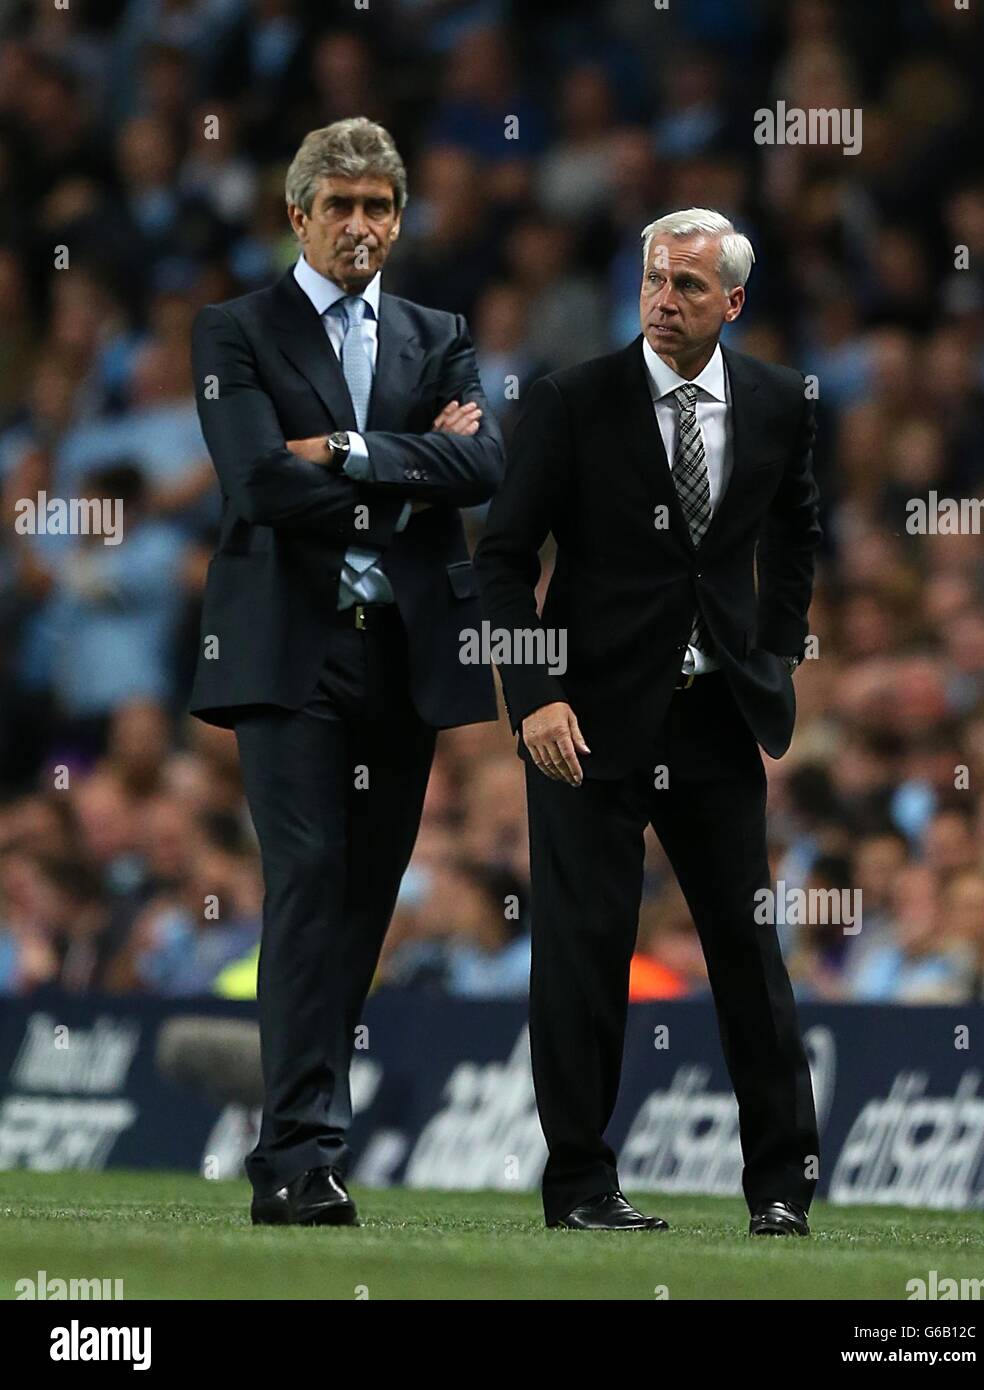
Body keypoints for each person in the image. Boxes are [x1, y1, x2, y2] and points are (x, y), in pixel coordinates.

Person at [475, 208, 821, 1234]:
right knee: (582, 954)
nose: (665, 301)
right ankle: (582, 1185)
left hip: (715, 718)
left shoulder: (773, 403)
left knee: (748, 955)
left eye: (688, 288)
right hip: (584, 722)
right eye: (654, 282)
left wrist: (778, 650)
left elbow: (798, 528)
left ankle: (783, 1191)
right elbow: (500, 560)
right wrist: (535, 694)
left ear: (734, 303)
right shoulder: (573, 402)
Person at [190, 117, 503, 1226]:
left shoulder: (437, 330)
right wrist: (417, 469)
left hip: (403, 653)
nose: (363, 226)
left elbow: (487, 465)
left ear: (400, 218)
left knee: (364, 903)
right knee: (312, 879)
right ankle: (300, 1154)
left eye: (380, 208)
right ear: (299, 215)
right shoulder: (234, 330)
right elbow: (259, 487)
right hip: (288, 654)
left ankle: (300, 1141)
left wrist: (354, 454)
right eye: (343, 207)